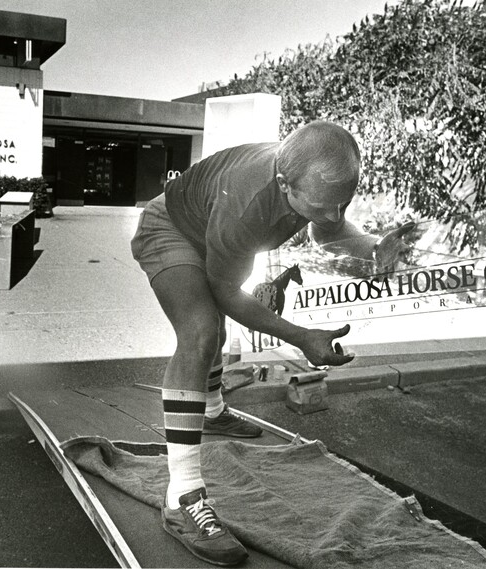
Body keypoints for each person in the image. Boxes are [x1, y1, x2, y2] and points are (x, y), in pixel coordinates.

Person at [130, 121, 409, 566]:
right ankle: (181, 495)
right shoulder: (248, 204)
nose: (334, 214)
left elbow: (327, 229)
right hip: (170, 227)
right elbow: (227, 293)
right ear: (283, 184)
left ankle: (213, 412)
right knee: (200, 331)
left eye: (342, 204)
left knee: (214, 328)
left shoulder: (310, 178)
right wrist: (302, 338)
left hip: (210, 225)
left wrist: (374, 248)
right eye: (322, 206)